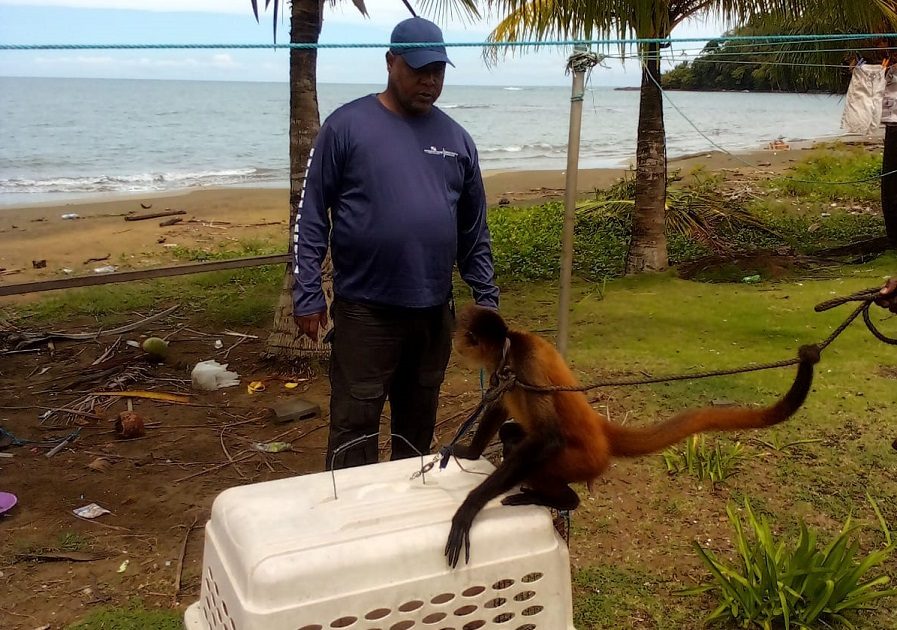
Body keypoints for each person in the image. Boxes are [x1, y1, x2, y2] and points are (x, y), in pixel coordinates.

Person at [291, 16, 500, 470]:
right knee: (353, 427)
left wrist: (487, 299)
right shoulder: (346, 127)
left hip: (431, 314)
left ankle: (404, 518)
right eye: (419, 69)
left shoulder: (457, 140)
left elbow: (473, 230)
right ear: (390, 62)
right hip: (366, 312)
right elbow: (310, 216)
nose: (429, 81)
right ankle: (351, 517)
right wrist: (307, 292)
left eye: (438, 72)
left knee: (417, 429)